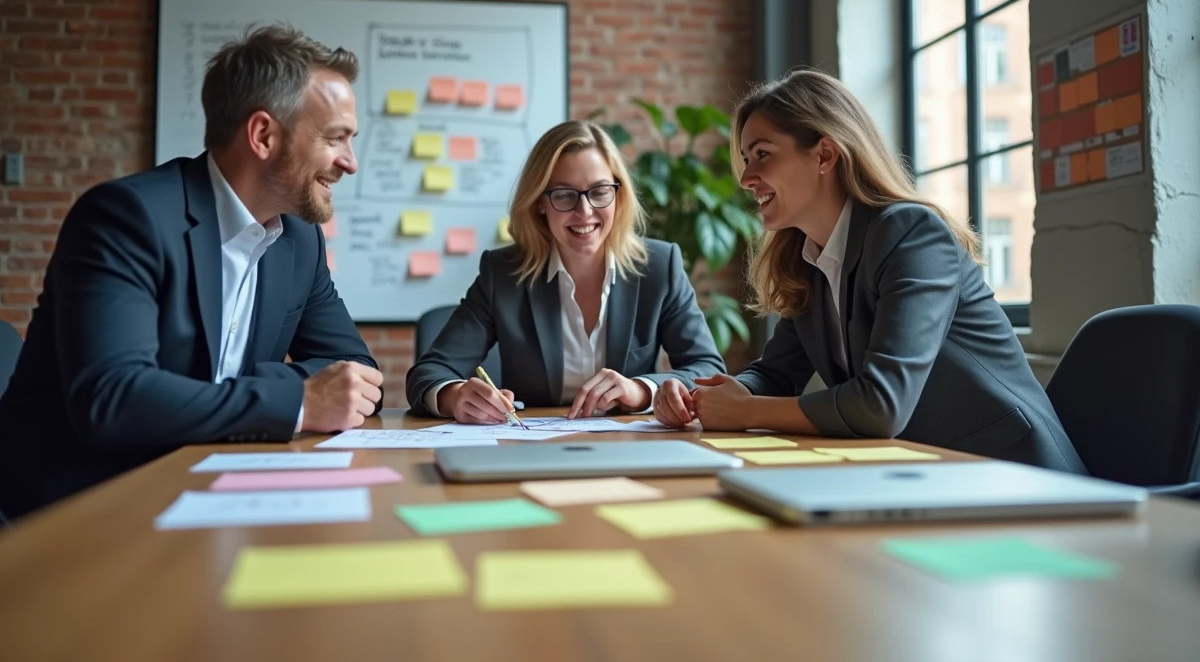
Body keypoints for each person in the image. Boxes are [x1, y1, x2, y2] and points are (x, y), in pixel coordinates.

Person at [0, 24, 383, 520]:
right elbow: (113, 399)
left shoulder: (299, 238)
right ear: (263, 135)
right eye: (335, 138)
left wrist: (231, 390)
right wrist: (299, 400)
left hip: (214, 488)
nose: (350, 163)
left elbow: (355, 373)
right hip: (81, 508)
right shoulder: (126, 218)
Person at [653, 70, 1085, 473]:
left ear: (825, 155)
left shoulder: (911, 233)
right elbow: (776, 373)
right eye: (747, 158)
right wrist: (710, 395)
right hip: (926, 471)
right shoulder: (808, 259)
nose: (747, 177)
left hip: (1016, 475)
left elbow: (882, 404)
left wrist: (747, 412)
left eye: (762, 155)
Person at [406, 120, 725, 423]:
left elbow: (708, 369)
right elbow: (429, 373)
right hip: (532, 447)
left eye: (599, 191)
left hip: (629, 446)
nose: (584, 211)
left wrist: (640, 390)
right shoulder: (503, 274)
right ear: (539, 202)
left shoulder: (659, 266)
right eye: (563, 195)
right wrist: (454, 396)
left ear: (618, 195)